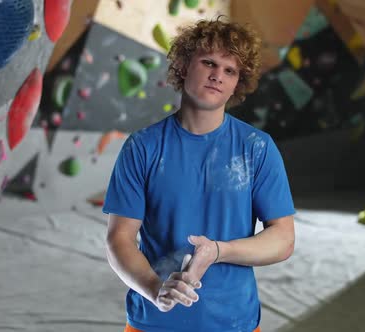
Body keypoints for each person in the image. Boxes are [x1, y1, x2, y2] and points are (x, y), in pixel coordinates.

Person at [103, 17, 295, 332]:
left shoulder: (257, 148)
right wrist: (155, 290)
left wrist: (219, 251)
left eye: (230, 70)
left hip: (234, 321)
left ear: (237, 83)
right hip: (153, 321)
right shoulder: (143, 147)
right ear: (183, 66)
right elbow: (119, 239)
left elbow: (283, 239)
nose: (218, 75)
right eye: (209, 63)